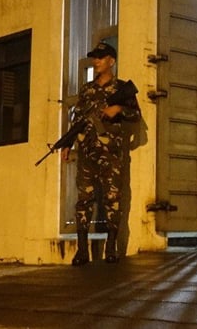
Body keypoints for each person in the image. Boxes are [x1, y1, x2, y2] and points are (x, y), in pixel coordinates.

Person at [62, 42, 140, 265]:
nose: (96, 61)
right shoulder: (87, 90)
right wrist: (67, 143)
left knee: (112, 199)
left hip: (112, 153)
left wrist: (118, 110)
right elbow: (78, 120)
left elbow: (135, 115)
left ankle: (111, 247)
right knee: (83, 200)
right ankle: (82, 251)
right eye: (94, 57)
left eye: (101, 57)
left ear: (111, 61)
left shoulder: (121, 88)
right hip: (87, 152)